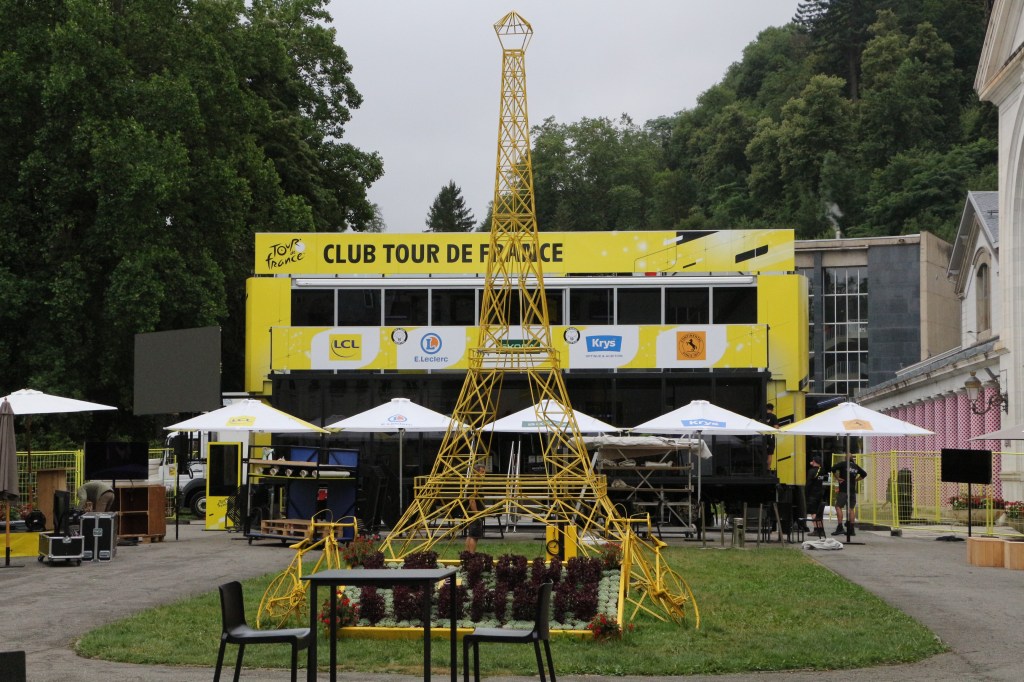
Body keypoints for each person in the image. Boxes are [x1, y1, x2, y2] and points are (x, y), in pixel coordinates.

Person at [829, 454, 867, 536]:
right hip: (852, 490)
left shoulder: (843, 464)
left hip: (843, 490)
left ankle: (840, 527)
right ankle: (851, 530)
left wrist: (837, 477)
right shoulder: (855, 466)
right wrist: (856, 480)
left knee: (838, 506)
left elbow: (832, 468)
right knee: (851, 509)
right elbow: (864, 474)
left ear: (845, 458)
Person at [464, 463, 486, 553]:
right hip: (475, 513)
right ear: (476, 472)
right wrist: (477, 514)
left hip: (473, 513)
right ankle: (471, 554)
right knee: (474, 536)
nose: (484, 474)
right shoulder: (474, 484)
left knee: (471, 534)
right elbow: (471, 500)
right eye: (482, 472)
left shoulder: (475, 483)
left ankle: (467, 553)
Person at [804, 457, 826, 538]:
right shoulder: (822, 471)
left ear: (814, 461)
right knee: (819, 513)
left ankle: (816, 529)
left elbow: (809, 483)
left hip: (812, 494)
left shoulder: (811, 471)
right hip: (819, 494)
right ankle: (821, 529)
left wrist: (805, 493)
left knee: (813, 512)